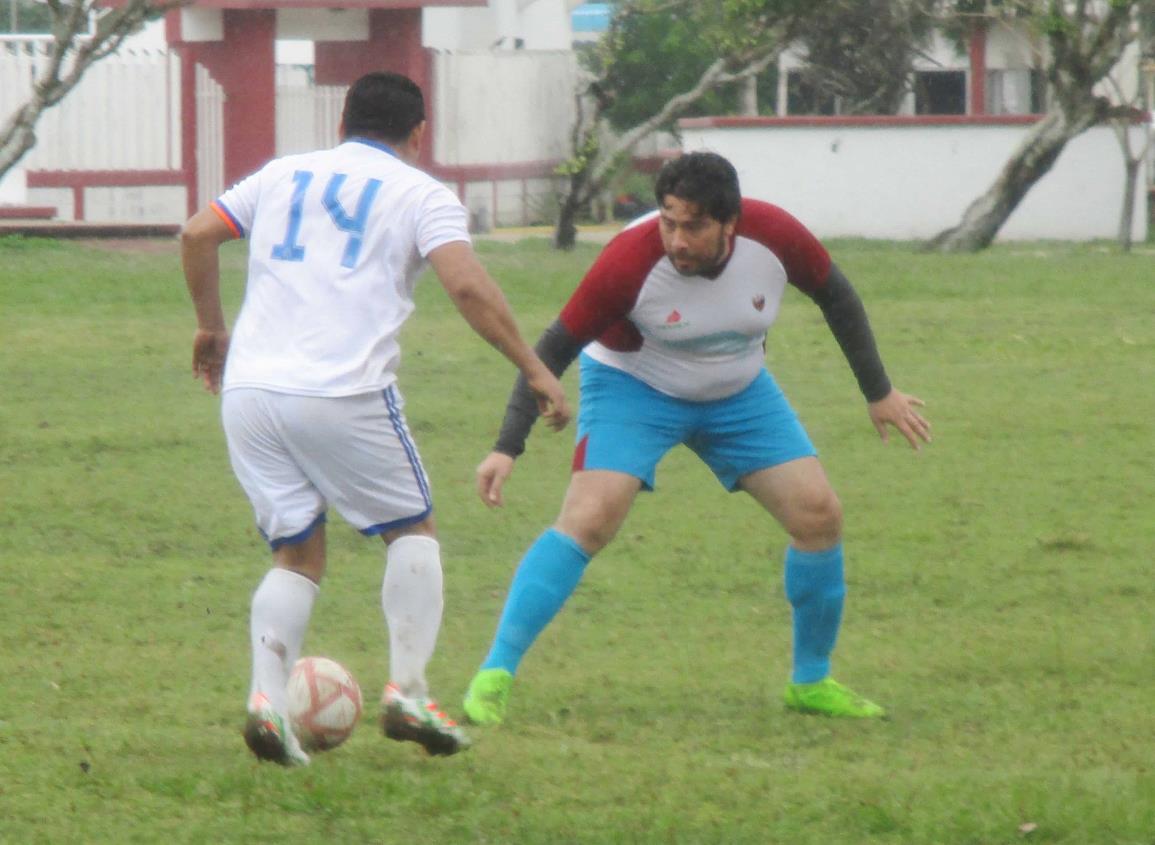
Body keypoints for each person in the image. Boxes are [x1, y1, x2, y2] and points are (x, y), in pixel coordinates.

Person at [180, 71, 570, 766]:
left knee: (296, 553)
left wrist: (212, 328)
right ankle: (409, 691)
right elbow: (466, 283)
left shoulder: (281, 173)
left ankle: (267, 701)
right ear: (418, 135)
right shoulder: (421, 193)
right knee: (410, 528)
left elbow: (197, 233)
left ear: (341, 125)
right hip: (341, 391)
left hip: (250, 392)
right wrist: (535, 369)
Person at [461, 151, 930, 727]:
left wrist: (878, 391)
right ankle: (494, 675)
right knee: (589, 518)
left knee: (818, 515)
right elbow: (551, 350)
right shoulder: (629, 262)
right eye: (668, 221)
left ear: (730, 223)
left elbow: (838, 296)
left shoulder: (776, 237)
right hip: (634, 386)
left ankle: (811, 682)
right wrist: (507, 447)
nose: (677, 240)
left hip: (738, 391)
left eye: (693, 225)